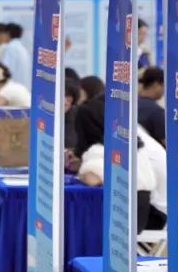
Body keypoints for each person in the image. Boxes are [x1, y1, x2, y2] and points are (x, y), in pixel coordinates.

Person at [73, 96, 167, 233]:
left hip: (145, 216)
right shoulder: (131, 140)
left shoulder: (103, 149)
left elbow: (92, 179)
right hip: (155, 211)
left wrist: (83, 171)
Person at [138, 67, 166, 146]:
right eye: (163, 86)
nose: (164, 90)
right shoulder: (156, 112)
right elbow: (167, 142)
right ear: (155, 85)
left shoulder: (130, 105)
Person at [1, 23, 31, 90]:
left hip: (13, 88)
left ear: (8, 33)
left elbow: (7, 70)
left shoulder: (11, 48)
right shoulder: (22, 48)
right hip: (23, 87)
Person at [64, 77, 82, 152]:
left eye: (68, 96)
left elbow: (70, 143)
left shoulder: (79, 114)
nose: (65, 101)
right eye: (61, 95)